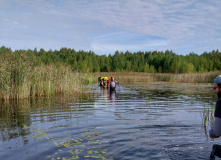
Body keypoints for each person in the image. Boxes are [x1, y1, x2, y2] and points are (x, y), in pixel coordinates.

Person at [209, 75, 221, 159]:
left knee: (215, 149)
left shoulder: (220, 103)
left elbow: (215, 133)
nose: (214, 91)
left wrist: (211, 132)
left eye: (215, 88)